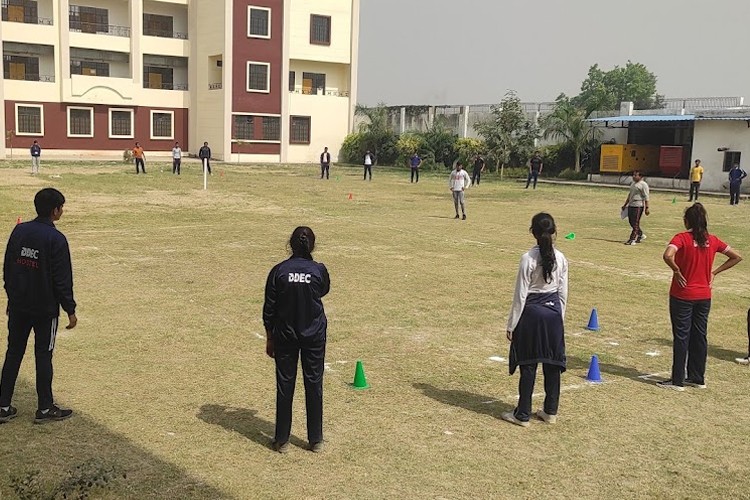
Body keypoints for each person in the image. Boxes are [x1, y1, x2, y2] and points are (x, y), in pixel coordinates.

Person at [0, 188, 77, 424]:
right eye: (61, 207)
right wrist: (70, 310)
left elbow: (8, 267)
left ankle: (2, 406)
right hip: (45, 310)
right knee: (43, 355)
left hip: (19, 306)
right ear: (55, 210)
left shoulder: (20, 231)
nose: (62, 211)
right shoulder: (56, 239)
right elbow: (62, 279)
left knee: (13, 353)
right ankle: (44, 409)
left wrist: (11, 297)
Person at [658, 203, 742, 390]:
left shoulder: (682, 238)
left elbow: (667, 255)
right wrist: (715, 272)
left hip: (682, 294)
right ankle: (697, 377)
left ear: (687, 221)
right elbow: (737, 256)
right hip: (704, 296)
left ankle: (677, 380)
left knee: (681, 336)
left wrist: (677, 271)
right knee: (699, 335)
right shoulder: (712, 240)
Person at [263, 227, 329, 453]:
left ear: (291, 244)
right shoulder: (318, 270)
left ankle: (282, 440)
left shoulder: (279, 271)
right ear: (312, 245)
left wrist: (269, 337)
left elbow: (268, 308)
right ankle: (316, 439)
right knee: (314, 384)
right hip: (313, 335)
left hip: (285, 336)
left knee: (285, 386)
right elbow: (323, 290)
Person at [502, 213, 568, 427]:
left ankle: (522, 414)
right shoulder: (561, 258)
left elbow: (521, 294)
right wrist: (560, 319)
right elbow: (563, 293)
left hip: (531, 314)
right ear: (555, 231)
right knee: (552, 364)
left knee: (528, 364)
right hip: (553, 314)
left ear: (533, 232)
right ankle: (550, 411)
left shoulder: (528, 258)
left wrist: (512, 324)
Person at [621, 170, 650, 245]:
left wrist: (647, 208)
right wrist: (625, 205)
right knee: (631, 222)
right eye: (633, 175)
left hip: (638, 205)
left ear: (640, 176)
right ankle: (640, 234)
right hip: (631, 205)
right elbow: (630, 194)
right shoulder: (633, 184)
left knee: (636, 222)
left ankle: (632, 239)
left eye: (635, 175)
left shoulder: (643, 185)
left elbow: (646, 197)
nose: (633, 177)